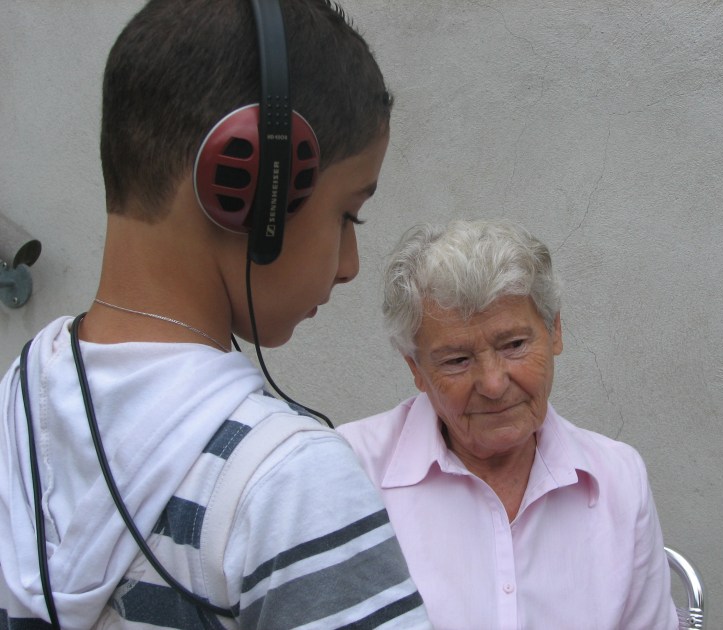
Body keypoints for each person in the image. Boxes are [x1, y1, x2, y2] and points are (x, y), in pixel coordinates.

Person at [0, 1, 431, 628]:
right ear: (244, 178)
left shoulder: (15, 413)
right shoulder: (289, 487)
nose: (350, 265)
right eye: (348, 215)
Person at [338, 220, 679, 630]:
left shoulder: (618, 479)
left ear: (555, 331)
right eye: (457, 360)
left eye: (514, 345)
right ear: (416, 369)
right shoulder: (348, 472)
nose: (494, 384)